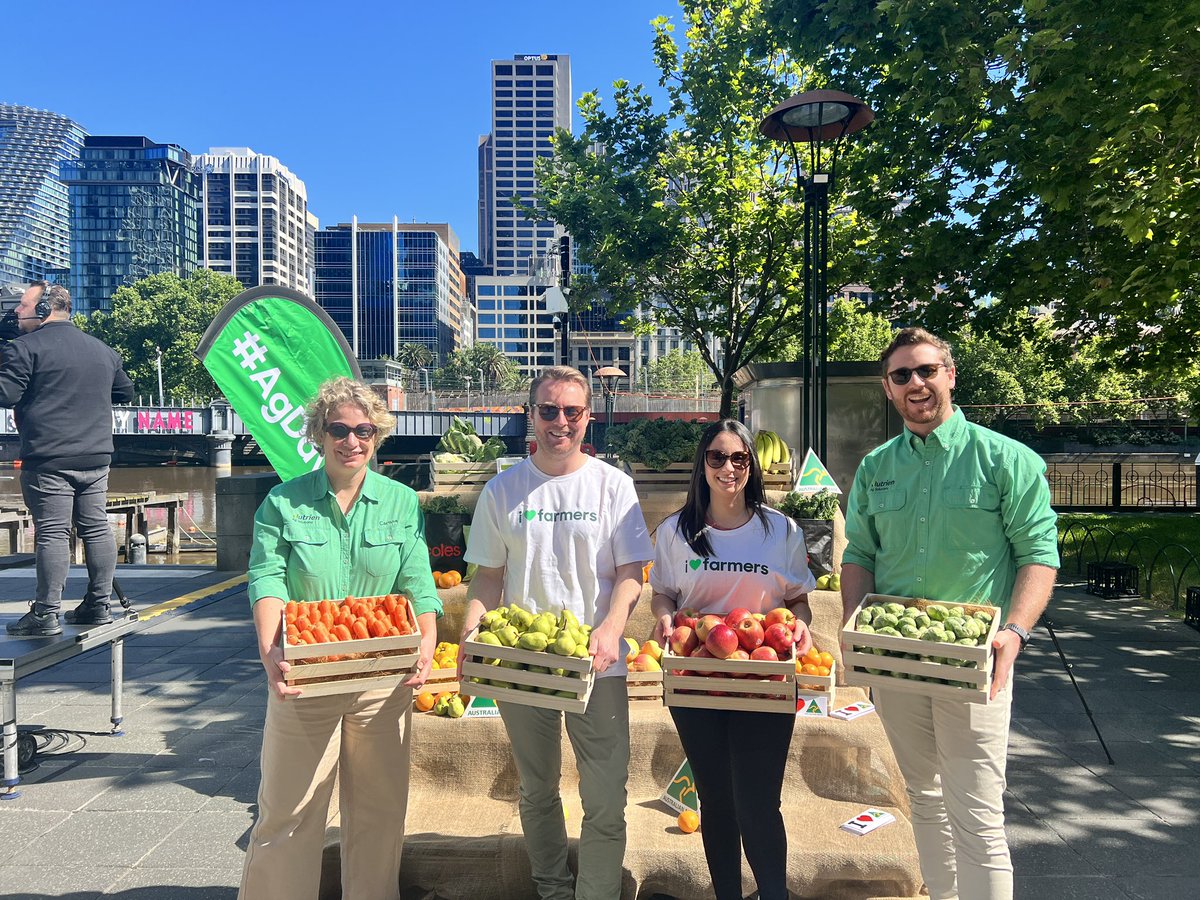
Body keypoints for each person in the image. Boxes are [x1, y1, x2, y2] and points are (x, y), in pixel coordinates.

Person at [841, 327, 1058, 900]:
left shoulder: (1005, 460)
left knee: (978, 812)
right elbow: (859, 555)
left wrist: (1014, 631)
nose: (916, 384)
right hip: (896, 661)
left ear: (951, 375)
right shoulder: (876, 468)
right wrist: (852, 632)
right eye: (902, 375)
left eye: (927, 370)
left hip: (975, 662)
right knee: (924, 798)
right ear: (888, 389)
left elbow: (1039, 555)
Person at [239, 376, 441, 900]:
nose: (352, 440)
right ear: (318, 434)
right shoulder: (283, 504)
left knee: (379, 814)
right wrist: (271, 652)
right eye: (339, 429)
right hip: (306, 679)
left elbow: (418, 582)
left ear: (378, 436)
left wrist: (425, 640)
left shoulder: (400, 501)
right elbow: (267, 579)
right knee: (288, 812)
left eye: (364, 430)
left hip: (381, 679)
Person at [459, 365, 652, 900]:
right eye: (548, 410)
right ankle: (551, 889)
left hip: (598, 663)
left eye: (571, 411)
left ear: (587, 418)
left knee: (606, 795)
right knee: (538, 789)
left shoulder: (614, 486)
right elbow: (488, 578)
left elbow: (632, 573)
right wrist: (470, 640)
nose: (559, 422)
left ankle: (596, 893)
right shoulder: (502, 490)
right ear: (531, 415)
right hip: (525, 668)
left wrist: (612, 628)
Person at [649, 419, 815, 900]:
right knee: (716, 802)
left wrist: (800, 622)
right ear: (702, 464)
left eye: (739, 458)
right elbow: (662, 593)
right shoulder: (676, 533)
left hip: (764, 680)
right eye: (717, 457)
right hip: (696, 680)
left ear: (752, 466)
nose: (728, 468)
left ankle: (773, 893)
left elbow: (799, 600)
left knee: (759, 804)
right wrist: (663, 619)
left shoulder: (779, 530)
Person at [1, 281, 134, 636]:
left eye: (22, 307)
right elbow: (124, 391)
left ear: (44, 311)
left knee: (53, 532)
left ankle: (46, 613)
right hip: (95, 455)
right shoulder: (102, 349)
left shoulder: (24, 348)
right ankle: (99, 604)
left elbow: (6, 394)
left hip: (49, 458)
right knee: (96, 526)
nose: (16, 312)